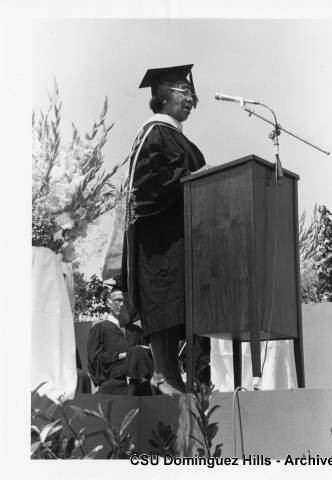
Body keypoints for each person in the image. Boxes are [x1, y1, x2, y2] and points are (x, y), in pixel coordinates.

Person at [121, 64, 208, 395]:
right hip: (160, 243)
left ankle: (173, 377)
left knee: (176, 305)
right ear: (161, 97)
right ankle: (164, 376)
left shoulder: (172, 134)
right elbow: (148, 188)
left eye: (189, 92)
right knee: (166, 304)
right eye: (181, 91)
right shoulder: (155, 134)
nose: (189, 97)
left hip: (177, 238)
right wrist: (197, 174)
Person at [87, 283, 154, 395]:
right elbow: (94, 362)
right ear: (108, 302)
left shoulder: (136, 330)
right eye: (118, 300)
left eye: (124, 301)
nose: (122, 304)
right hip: (114, 385)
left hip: (140, 385)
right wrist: (119, 356)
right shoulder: (99, 329)